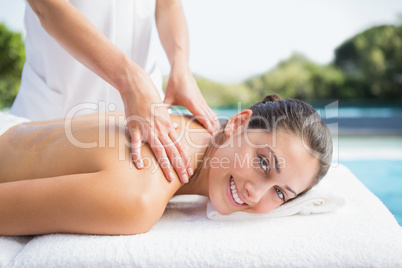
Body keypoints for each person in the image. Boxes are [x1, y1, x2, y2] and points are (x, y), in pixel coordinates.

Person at [0, 95, 333, 235]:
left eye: (280, 192)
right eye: (262, 162)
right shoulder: (137, 198)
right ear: (237, 124)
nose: (255, 194)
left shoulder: (189, 127)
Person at [10, 0, 220, 184]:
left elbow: (169, 4)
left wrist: (181, 67)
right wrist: (128, 78)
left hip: (145, 114)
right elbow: (46, 5)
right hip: (56, 106)